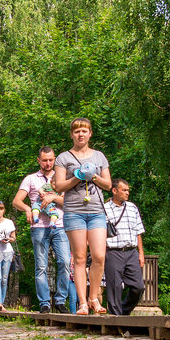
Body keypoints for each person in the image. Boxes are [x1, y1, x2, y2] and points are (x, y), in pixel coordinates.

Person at [52, 117, 112, 315]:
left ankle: (95, 298)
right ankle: (83, 303)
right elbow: (59, 186)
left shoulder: (99, 157)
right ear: (72, 135)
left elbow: (108, 185)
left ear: (90, 134)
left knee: (99, 256)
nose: (80, 134)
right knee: (79, 257)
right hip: (74, 211)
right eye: (77, 131)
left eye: (84, 131)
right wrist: (76, 177)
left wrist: (92, 176)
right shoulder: (63, 158)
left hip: (96, 212)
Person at [13, 147, 74, 314]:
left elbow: (70, 203)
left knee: (65, 263)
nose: (48, 163)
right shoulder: (31, 179)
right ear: (39, 160)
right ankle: (45, 303)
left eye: (51, 160)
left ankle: (61, 301)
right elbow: (16, 201)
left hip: (60, 225)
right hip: (39, 228)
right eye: (45, 160)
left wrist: (54, 197)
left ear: (55, 160)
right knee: (41, 266)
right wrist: (27, 209)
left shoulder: (62, 179)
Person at [103, 178, 146, 315]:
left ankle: (123, 311)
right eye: (124, 190)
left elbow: (138, 231)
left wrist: (141, 253)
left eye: (128, 190)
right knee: (114, 287)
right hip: (113, 251)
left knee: (138, 287)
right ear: (114, 191)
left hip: (131, 251)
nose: (127, 193)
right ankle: (115, 317)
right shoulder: (104, 209)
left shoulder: (132, 207)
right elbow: (100, 232)